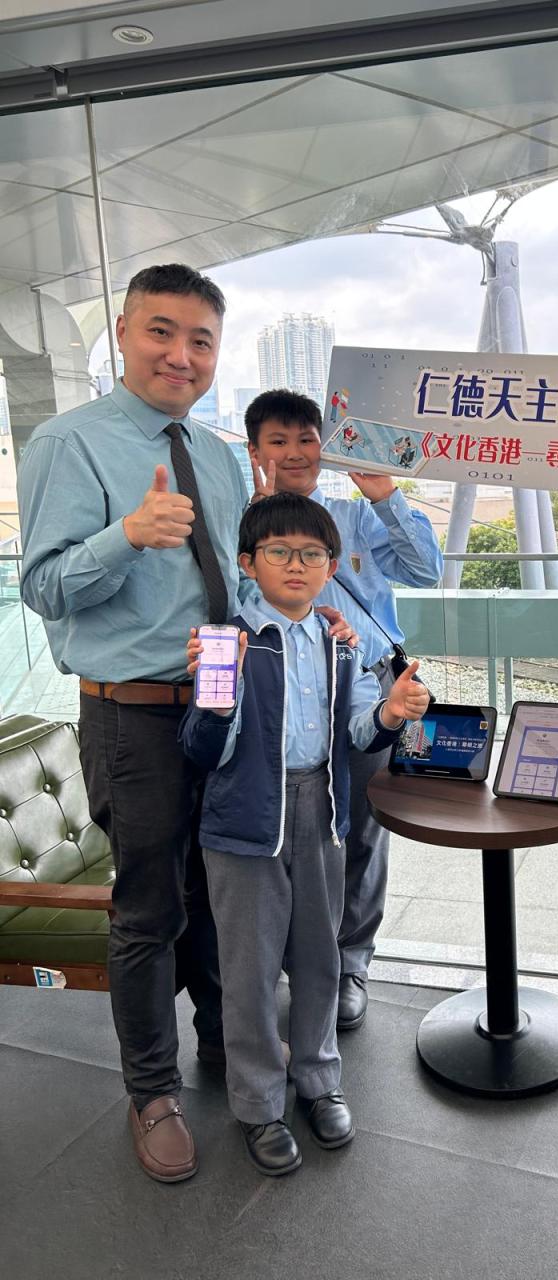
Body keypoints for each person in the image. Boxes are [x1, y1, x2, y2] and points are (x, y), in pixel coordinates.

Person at [15, 263, 354, 1183]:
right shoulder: (68, 443)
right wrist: (125, 535)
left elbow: (240, 584)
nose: (181, 354)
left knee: (223, 893)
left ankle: (228, 1047)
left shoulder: (213, 451)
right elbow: (41, 586)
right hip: (135, 717)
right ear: (125, 335)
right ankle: (153, 1091)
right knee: (152, 909)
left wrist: (302, 618)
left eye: (201, 340)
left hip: (230, 707)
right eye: (161, 332)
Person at [180, 493, 430, 1176]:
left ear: (330, 566)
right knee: (251, 971)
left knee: (320, 957)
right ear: (248, 563)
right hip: (244, 823)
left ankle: (320, 1079)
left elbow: (357, 734)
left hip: (322, 811)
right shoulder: (227, 642)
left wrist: (390, 712)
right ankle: (259, 1104)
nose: (297, 564)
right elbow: (201, 750)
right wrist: (216, 699)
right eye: (280, 552)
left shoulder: (337, 641)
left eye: (312, 553)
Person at [245, 389, 443, 1031]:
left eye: (307, 439)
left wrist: (386, 495)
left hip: (367, 687)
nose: (295, 453)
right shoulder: (244, 527)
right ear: (255, 451)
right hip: (276, 692)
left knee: (361, 829)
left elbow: (425, 569)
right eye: (278, 441)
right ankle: (297, 963)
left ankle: (350, 964)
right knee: (283, 833)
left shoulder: (355, 517)